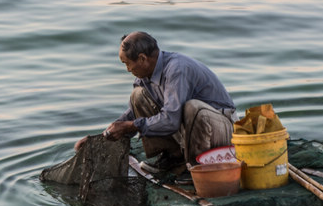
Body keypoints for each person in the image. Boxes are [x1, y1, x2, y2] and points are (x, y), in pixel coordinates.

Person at [80, 31, 236, 174]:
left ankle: (195, 167)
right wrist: (102, 137)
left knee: (191, 108)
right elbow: (132, 115)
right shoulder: (145, 77)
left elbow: (170, 121)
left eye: (127, 63)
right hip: (194, 128)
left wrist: (132, 125)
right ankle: (174, 158)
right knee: (138, 95)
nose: (127, 69)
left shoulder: (177, 69)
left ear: (142, 58)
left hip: (222, 129)